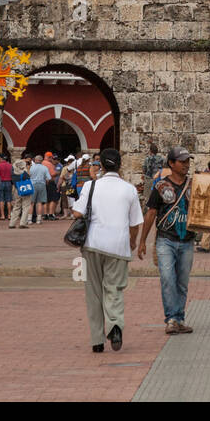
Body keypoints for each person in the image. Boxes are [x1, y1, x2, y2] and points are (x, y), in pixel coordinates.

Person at [72, 146, 143, 353]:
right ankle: (115, 326)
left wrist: (92, 179)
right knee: (114, 289)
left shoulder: (90, 186)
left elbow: (77, 213)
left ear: (100, 164)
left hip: (92, 245)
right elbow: (134, 222)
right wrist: (132, 241)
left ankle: (97, 339)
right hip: (118, 246)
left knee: (93, 291)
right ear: (120, 165)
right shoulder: (129, 189)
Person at [137, 146, 196, 335]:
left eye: (188, 161)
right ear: (171, 163)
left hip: (187, 240)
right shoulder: (161, 186)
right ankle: (171, 318)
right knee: (168, 279)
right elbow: (151, 212)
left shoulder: (194, 186)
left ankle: (179, 318)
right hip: (166, 240)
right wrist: (142, 240)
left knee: (182, 283)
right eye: (182, 161)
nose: (186, 165)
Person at [8, 158, 35, 229]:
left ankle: (12, 223)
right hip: (25, 189)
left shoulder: (13, 173)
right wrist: (27, 168)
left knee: (16, 206)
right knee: (26, 206)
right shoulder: (24, 173)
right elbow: (28, 178)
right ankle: (23, 222)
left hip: (17, 189)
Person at [28, 155, 50, 224]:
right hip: (42, 184)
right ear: (41, 161)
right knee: (39, 203)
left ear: (35, 160)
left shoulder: (31, 167)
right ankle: (39, 219)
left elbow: (28, 175)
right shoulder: (45, 168)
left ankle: (29, 219)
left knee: (31, 203)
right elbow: (48, 178)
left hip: (32, 184)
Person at [0, 153, 13, 221]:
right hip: (8, 182)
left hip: (1, 182)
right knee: (9, 199)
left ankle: (2, 215)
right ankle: (9, 215)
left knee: (1, 200)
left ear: (1, 158)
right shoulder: (10, 165)